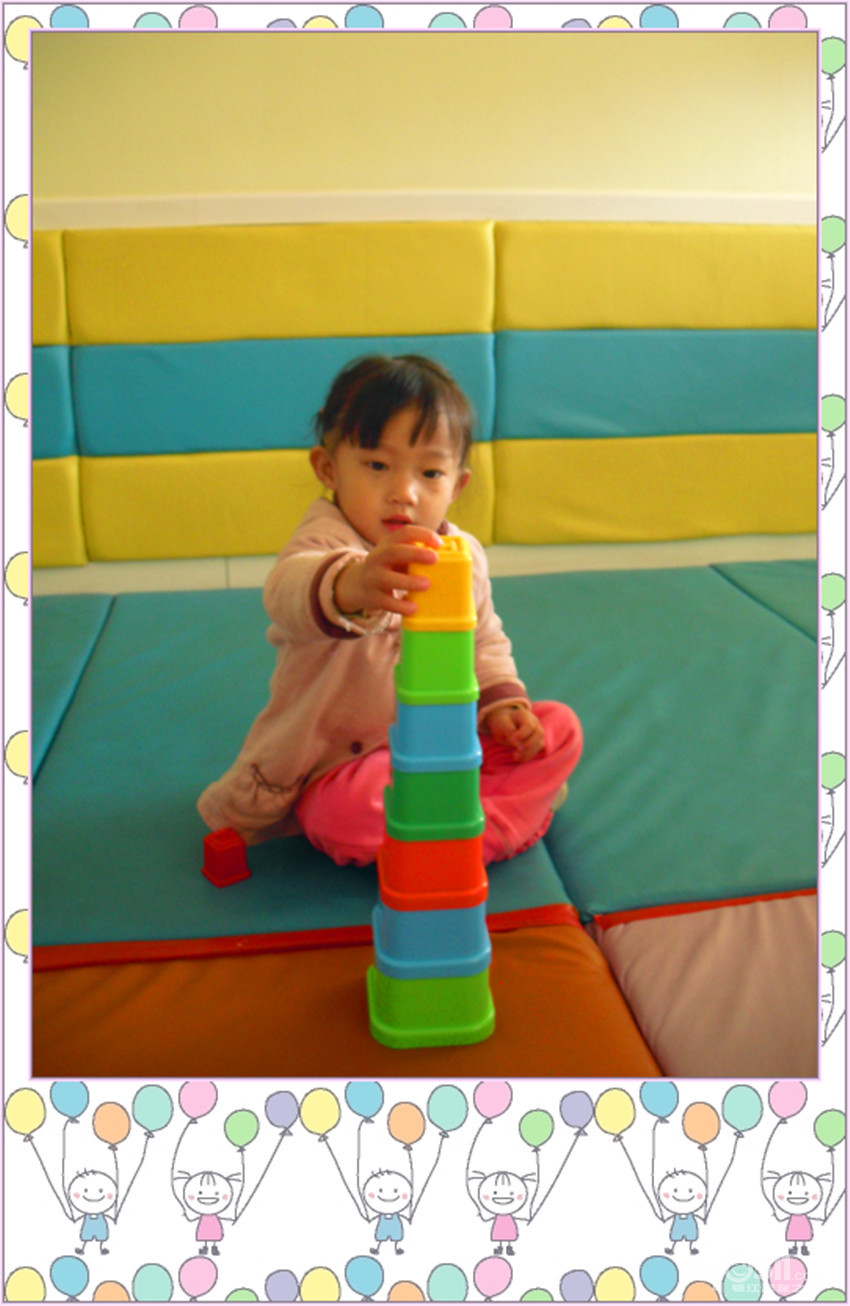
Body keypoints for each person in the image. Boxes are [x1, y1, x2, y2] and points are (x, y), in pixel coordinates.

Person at [198, 354, 582, 864]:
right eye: (377, 466)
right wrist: (354, 584)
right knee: (345, 813)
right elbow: (286, 593)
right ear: (329, 469)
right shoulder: (326, 542)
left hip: (447, 746)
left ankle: (458, 820)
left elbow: (484, 641)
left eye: (430, 472)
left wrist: (504, 709)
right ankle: (493, 824)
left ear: (456, 485)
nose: (404, 492)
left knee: (559, 729)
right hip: (350, 766)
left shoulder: (462, 556)